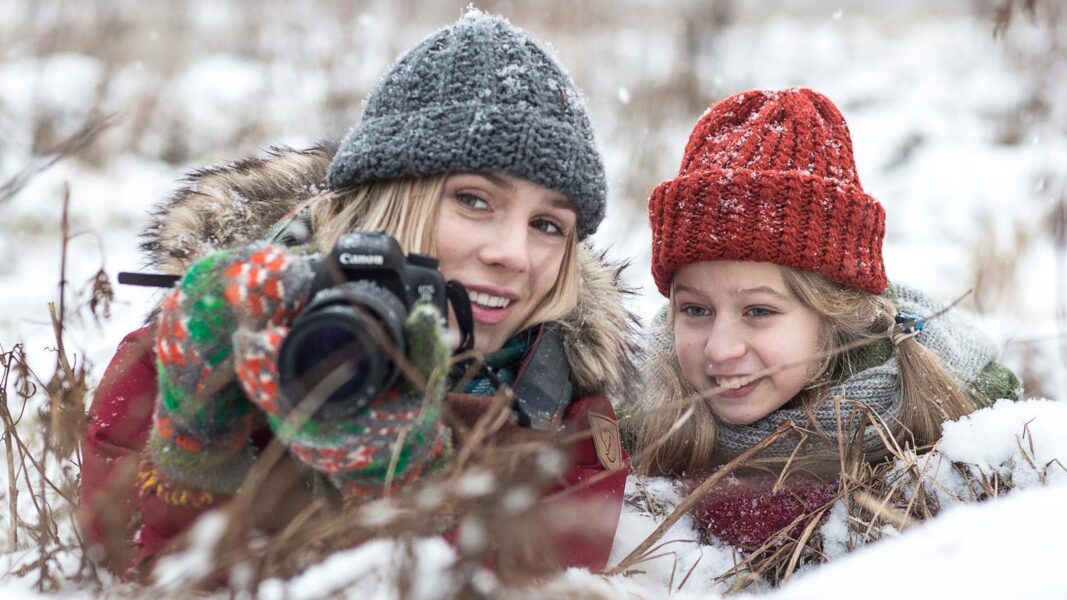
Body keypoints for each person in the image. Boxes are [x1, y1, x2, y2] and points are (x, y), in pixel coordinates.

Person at [80, 11, 635, 580]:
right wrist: (200, 434)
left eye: (548, 226)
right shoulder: (207, 334)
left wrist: (401, 480)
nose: (514, 254)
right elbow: (130, 561)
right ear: (389, 201)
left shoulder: (564, 405)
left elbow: (534, 577)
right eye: (475, 200)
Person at [626, 87, 1021, 551]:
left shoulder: (960, 427)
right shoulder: (635, 412)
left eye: (758, 311)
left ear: (835, 315)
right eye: (695, 310)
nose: (719, 348)